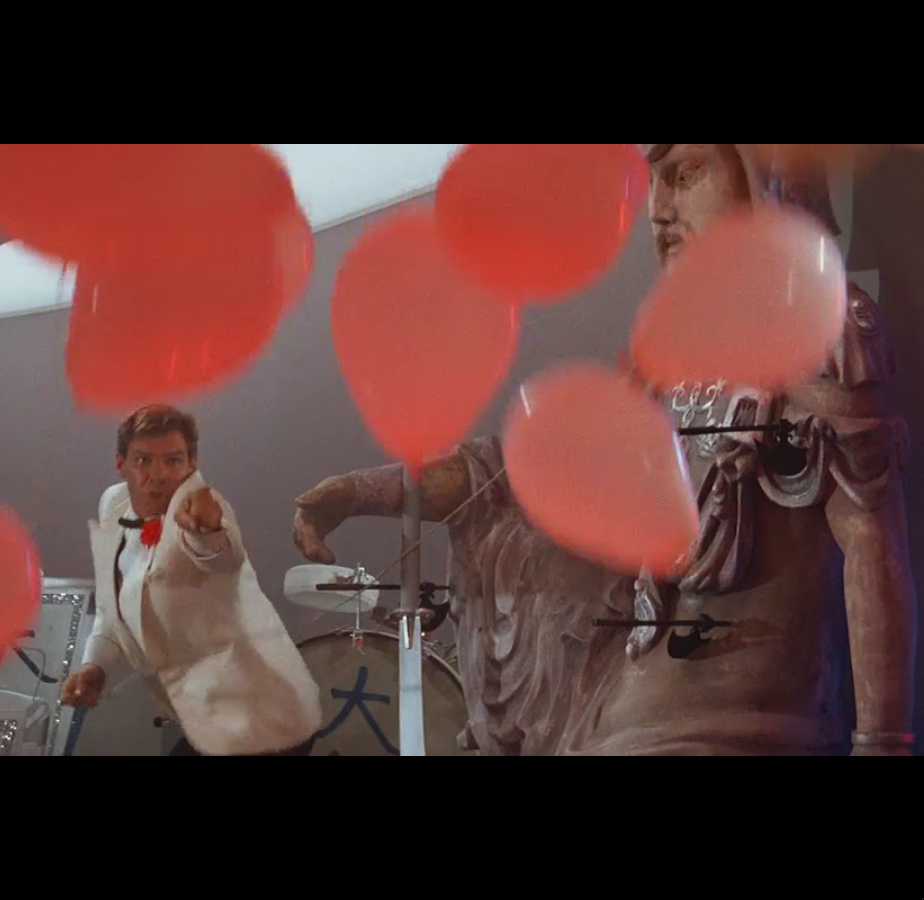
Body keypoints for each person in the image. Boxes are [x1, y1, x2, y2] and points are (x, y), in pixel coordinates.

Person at [294, 143, 917, 756]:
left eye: (686, 174)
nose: (659, 210)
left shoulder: (820, 329)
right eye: (652, 182)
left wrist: (883, 744)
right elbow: (509, 480)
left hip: (737, 729)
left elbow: (872, 541)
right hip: (615, 718)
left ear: (762, 176)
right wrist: (356, 494)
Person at [60, 404, 322, 756]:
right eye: (143, 460)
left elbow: (225, 559)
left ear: (191, 464)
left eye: (172, 461)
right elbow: (115, 605)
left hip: (265, 718)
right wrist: (95, 664)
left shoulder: (206, 508)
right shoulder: (114, 504)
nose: (158, 475)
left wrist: (207, 532)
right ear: (120, 463)